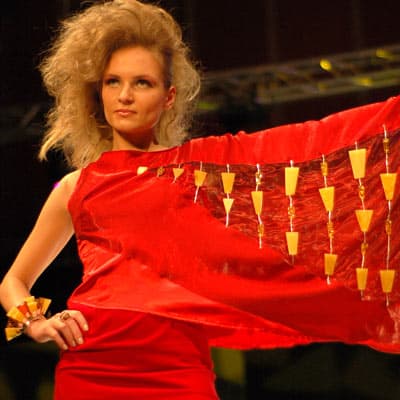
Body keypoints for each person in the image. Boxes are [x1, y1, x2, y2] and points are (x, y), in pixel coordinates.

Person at [1, 0, 400, 399]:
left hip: (177, 366)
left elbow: (305, 148)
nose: (124, 95)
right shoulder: (76, 186)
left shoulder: (201, 173)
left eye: (142, 83)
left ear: (168, 96)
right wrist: (36, 322)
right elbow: (13, 281)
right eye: (112, 82)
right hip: (92, 363)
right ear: (97, 92)